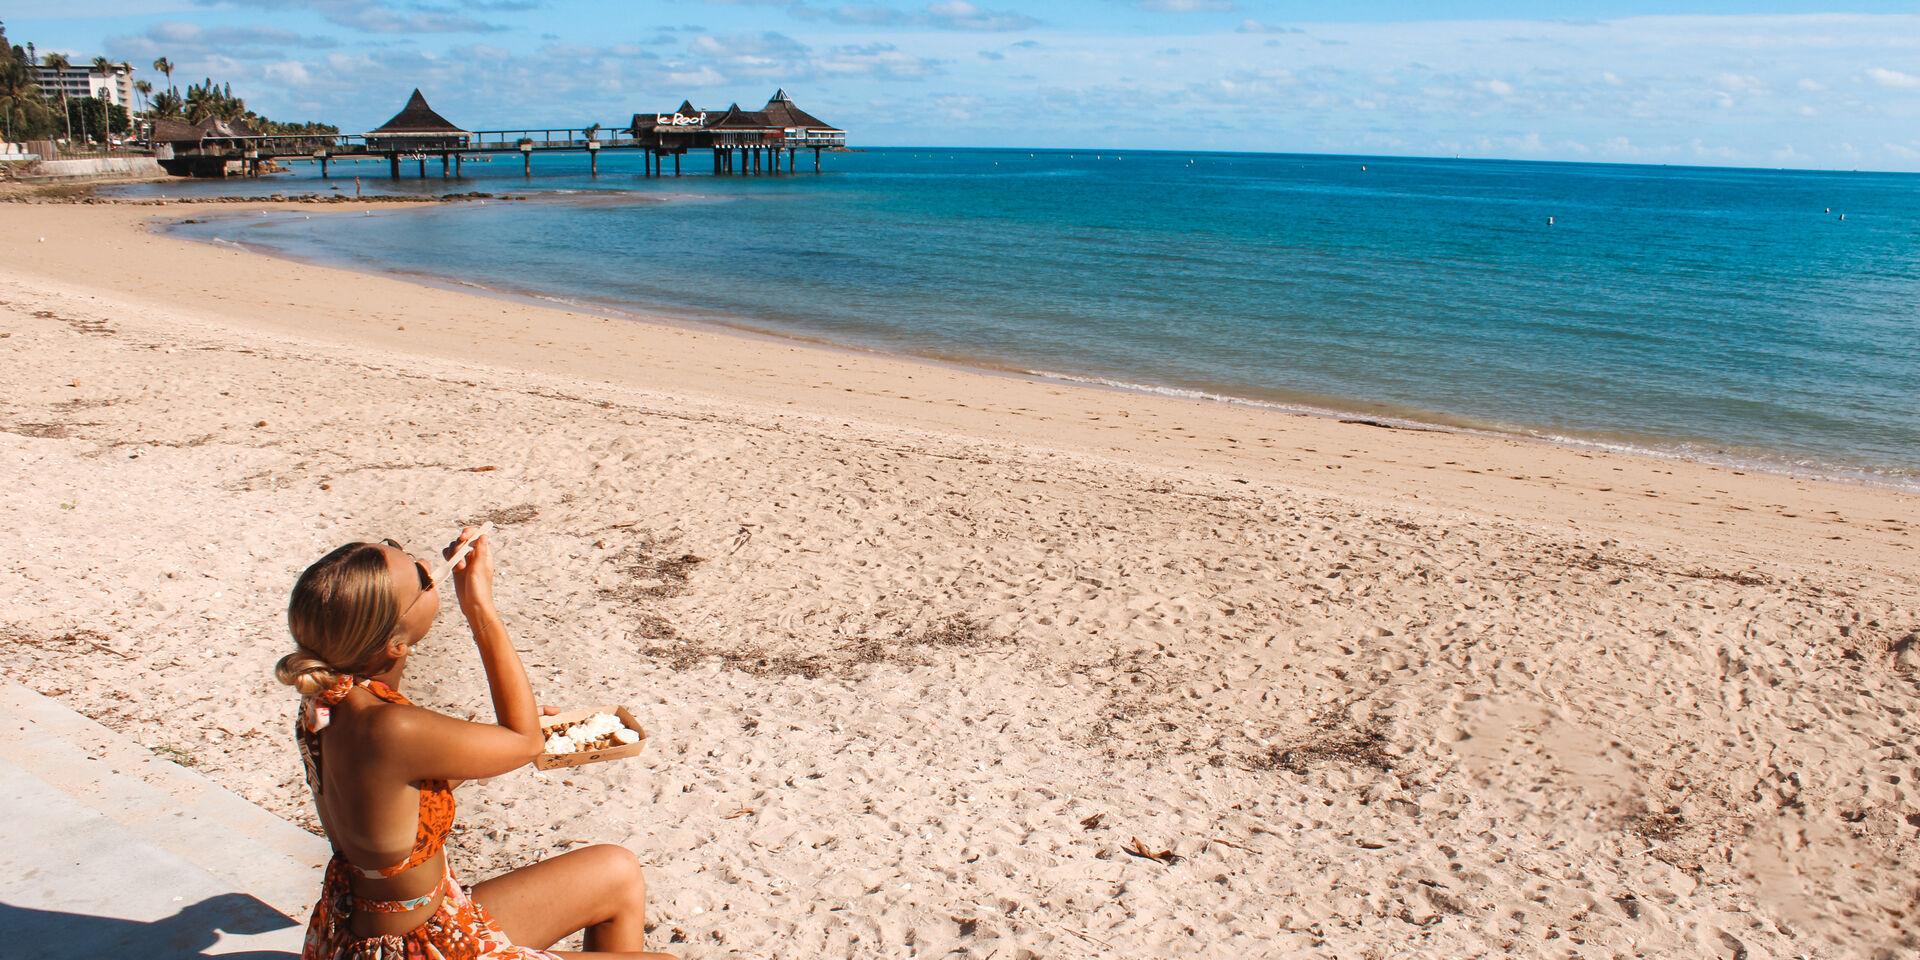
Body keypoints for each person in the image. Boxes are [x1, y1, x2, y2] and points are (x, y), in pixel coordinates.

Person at [275, 527, 671, 959]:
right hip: (413, 950)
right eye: (423, 580)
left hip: (413, 926)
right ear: (396, 644)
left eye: (398, 549)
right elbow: (524, 742)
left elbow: (393, 789)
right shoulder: (390, 728)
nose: (428, 565)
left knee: (616, 871)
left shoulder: (330, 700)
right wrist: (479, 605)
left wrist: (486, 743)